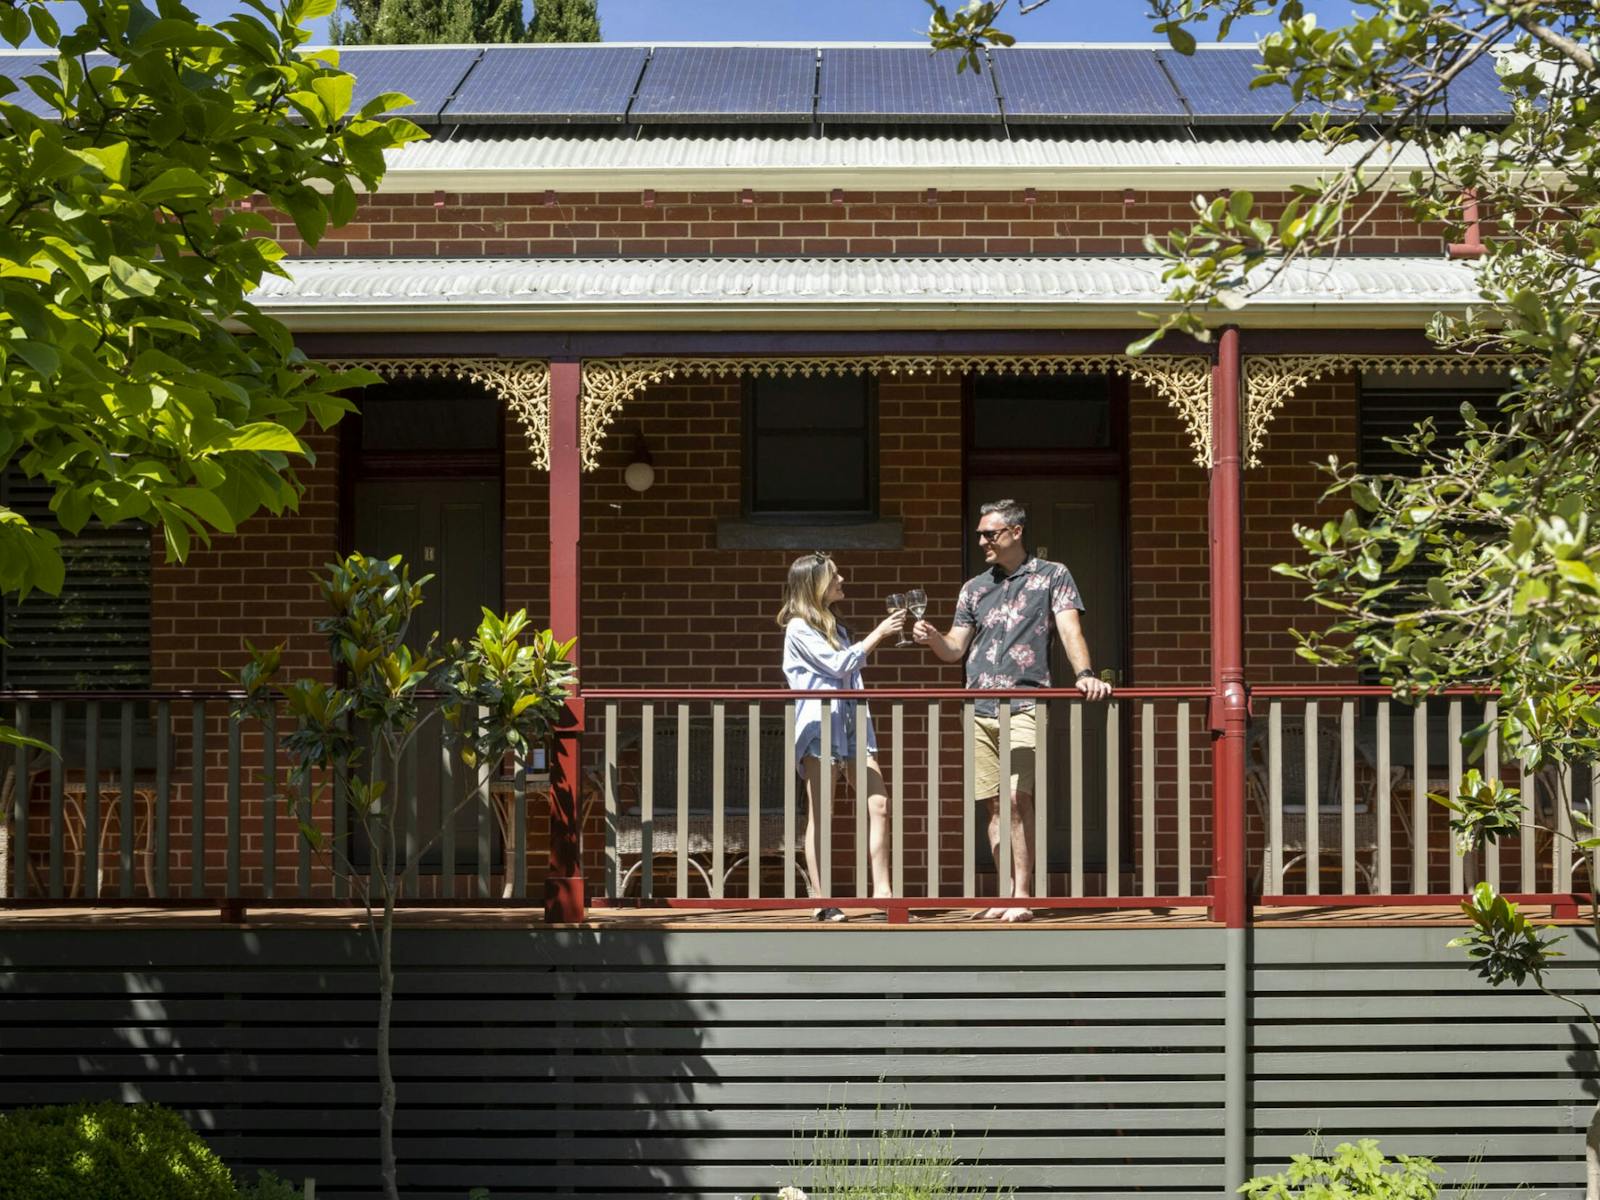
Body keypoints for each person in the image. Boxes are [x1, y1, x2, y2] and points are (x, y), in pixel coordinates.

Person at [913, 500, 1113, 922]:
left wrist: (1085, 673)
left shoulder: (1052, 576)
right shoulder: (974, 588)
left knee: (1018, 798)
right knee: (993, 804)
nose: (983, 541)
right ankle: (1006, 893)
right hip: (979, 707)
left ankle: (1022, 894)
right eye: (980, 534)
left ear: (1016, 532)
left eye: (991, 533)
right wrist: (931, 635)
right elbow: (954, 651)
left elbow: (1069, 628)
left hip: (1025, 704)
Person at [778, 552, 905, 921]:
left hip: (851, 725)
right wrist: (880, 633)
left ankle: (883, 894)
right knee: (822, 813)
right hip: (820, 727)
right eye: (835, 576)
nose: (842, 579)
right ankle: (821, 899)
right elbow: (838, 666)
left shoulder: (836, 625)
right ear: (815, 584)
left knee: (879, 803)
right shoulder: (798, 627)